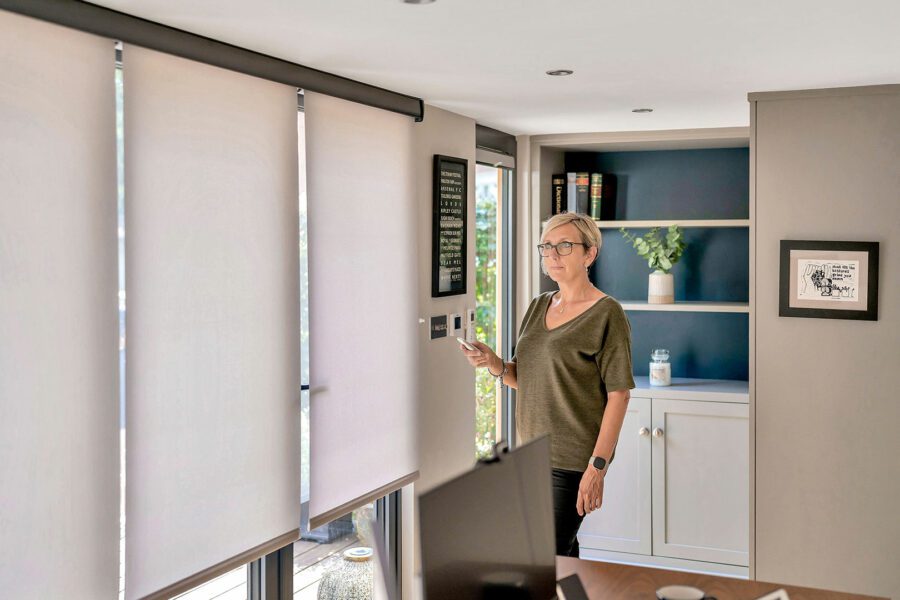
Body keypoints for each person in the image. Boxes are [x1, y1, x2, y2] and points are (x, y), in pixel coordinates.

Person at [460, 212, 635, 557]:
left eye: (565, 245)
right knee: (562, 559)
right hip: (531, 454)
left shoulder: (607, 313)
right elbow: (528, 378)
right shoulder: (539, 305)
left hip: (571, 461)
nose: (552, 254)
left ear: (589, 253)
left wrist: (597, 468)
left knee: (540, 558)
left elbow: (619, 395)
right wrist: (495, 364)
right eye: (547, 246)